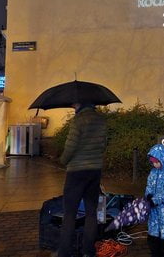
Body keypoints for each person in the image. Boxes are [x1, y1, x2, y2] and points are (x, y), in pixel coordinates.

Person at [56, 103, 107, 257]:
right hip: (94, 171)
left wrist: (62, 161)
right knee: (91, 212)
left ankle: (64, 252)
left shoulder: (78, 121)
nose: (73, 105)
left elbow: (70, 147)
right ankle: (88, 251)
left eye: (75, 103)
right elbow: (103, 145)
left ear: (81, 104)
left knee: (70, 213)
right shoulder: (101, 120)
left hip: (76, 173)